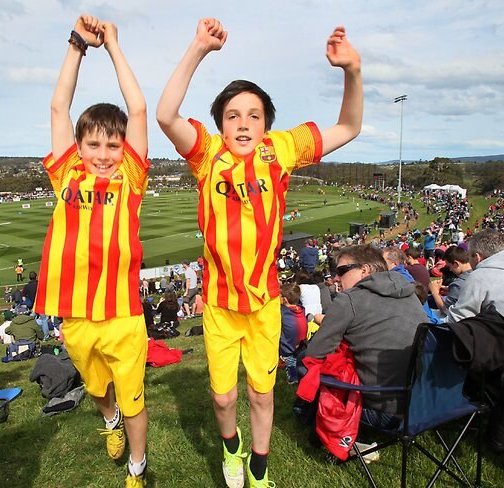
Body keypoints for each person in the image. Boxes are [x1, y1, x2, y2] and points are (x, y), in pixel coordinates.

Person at [156, 18, 362, 487]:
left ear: (267, 123)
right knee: (224, 399)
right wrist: (198, 48)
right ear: (220, 125)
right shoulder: (207, 155)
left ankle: (260, 467)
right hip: (222, 309)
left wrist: (352, 70)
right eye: (232, 115)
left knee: (262, 395)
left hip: (265, 305)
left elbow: (350, 126)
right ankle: (233, 450)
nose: (243, 123)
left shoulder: (282, 149)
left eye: (253, 114)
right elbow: (166, 115)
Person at [32, 14, 149, 487]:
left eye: (112, 145)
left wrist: (115, 45)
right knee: (100, 389)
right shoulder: (67, 177)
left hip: (124, 313)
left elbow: (138, 111)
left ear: (124, 149)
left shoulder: (131, 180)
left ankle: (137, 469)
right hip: (75, 312)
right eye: (94, 144)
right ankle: (108, 419)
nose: (103, 154)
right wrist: (78, 46)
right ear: (79, 148)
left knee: (135, 395)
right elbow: (59, 107)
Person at [304, 245, 426, 429]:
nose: (336, 278)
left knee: (302, 362)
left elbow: (314, 354)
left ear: (364, 270)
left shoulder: (349, 299)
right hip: (424, 406)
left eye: (342, 271)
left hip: (384, 412)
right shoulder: (409, 292)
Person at [446, 229, 504, 324]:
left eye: (469, 257)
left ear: (477, 257)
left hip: (500, 336)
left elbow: (458, 321)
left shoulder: (479, 276)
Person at [428, 245, 473, 314]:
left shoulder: (458, 283)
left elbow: (446, 310)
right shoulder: (475, 274)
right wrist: (450, 290)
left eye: (449, 266)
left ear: (456, 264)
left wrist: (434, 292)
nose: (450, 270)